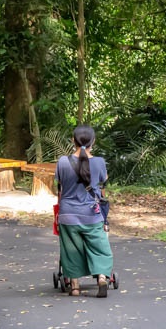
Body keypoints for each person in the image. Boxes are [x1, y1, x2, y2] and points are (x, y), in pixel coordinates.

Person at [55, 125, 113, 297]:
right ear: (92, 142)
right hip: (91, 214)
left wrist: (59, 213)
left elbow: (60, 190)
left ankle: (74, 286)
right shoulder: (100, 162)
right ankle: (102, 277)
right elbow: (102, 188)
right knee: (100, 247)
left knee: (71, 249)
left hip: (68, 213)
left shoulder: (62, 162)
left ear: (73, 141)